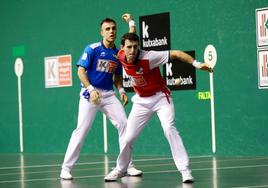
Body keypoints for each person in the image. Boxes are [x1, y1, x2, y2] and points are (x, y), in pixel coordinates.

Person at [104, 31, 213, 183]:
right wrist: (131, 23)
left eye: (136, 47)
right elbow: (131, 35)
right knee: (127, 138)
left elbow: (175, 54)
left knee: (169, 128)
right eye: (129, 47)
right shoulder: (120, 56)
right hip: (141, 101)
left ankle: (185, 170)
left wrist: (197, 64)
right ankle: (121, 169)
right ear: (122, 48)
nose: (133, 50)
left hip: (160, 97)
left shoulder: (149, 57)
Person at [60, 15, 142, 180]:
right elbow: (80, 71)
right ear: (101, 32)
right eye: (107, 29)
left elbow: (117, 77)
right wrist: (91, 90)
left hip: (109, 94)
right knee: (81, 130)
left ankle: (128, 165)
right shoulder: (92, 48)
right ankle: (65, 168)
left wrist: (122, 91)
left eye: (113, 29)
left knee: (125, 125)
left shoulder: (118, 54)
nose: (111, 31)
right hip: (90, 93)